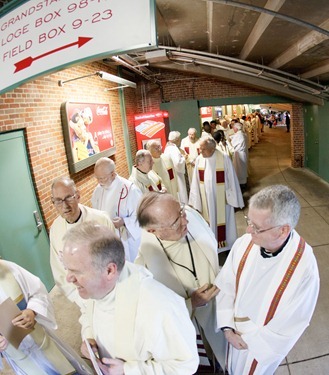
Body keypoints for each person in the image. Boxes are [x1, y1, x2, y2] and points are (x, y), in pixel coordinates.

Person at [62, 222, 199, 375]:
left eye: (77, 271)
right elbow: (88, 314)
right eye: (67, 268)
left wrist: (129, 370)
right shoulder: (96, 287)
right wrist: (89, 337)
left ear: (109, 270)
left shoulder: (160, 306)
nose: (68, 278)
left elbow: (185, 365)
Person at [215, 185, 320, 375]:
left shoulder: (304, 269)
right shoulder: (245, 243)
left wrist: (251, 343)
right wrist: (227, 327)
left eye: (256, 227)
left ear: (282, 230)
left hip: (258, 348)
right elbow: (226, 286)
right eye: (249, 221)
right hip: (232, 335)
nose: (248, 230)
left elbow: (293, 322)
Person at [136, 192, 226, 373]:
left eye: (182, 212)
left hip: (220, 307)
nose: (185, 222)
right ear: (153, 231)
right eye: (176, 222)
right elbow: (153, 316)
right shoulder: (144, 267)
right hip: (191, 324)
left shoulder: (189, 218)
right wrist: (190, 303)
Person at [0, 259, 93, 375]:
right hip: (19, 358)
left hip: (43, 341)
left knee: (66, 368)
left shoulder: (9, 269)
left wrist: (32, 311)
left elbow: (38, 291)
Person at [50, 176, 115, 307]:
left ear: (78, 195)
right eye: (58, 201)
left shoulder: (101, 220)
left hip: (109, 292)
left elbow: (116, 258)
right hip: (80, 296)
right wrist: (77, 297)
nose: (65, 206)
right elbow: (59, 269)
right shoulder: (55, 229)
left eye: (69, 197)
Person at [189, 137, 244, 251]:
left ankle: (226, 246)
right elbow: (195, 181)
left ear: (213, 149)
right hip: (206, 200)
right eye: (200, 149)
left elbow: (232, 179)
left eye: (204, 149)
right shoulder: (200, 159)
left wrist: (233, 197)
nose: (201, 152)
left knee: (223, 222)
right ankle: (211, 244)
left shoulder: (223, 158)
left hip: (222, 200)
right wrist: (195, 199)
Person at [91, 157, 142, 262]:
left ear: (113, 174)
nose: (99, 182)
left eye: (102, 178)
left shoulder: (130, 189)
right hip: (107, 241)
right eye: (97, 178)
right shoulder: (98, 190)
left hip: (127, 240)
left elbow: (142, 215)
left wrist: (124, 222)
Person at [164, 131, 189, 204]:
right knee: (181, 194)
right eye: (179, 138)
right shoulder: (173, 149)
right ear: (177, 139)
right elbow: (178, 163)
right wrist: (184, 158)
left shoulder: (168, 147)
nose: (180, 140)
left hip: (174, 175)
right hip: (178, 175)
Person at [230, 122, 248, 188]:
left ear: (236, 128)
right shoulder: (241, 133)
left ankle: (242, 183)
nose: (233, 129)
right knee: (241, 169)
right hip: (241, 153)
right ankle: (243, 182)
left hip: (239, 154)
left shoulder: (239, 135)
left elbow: (233, 143)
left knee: (240, 169)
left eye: (234, 128)